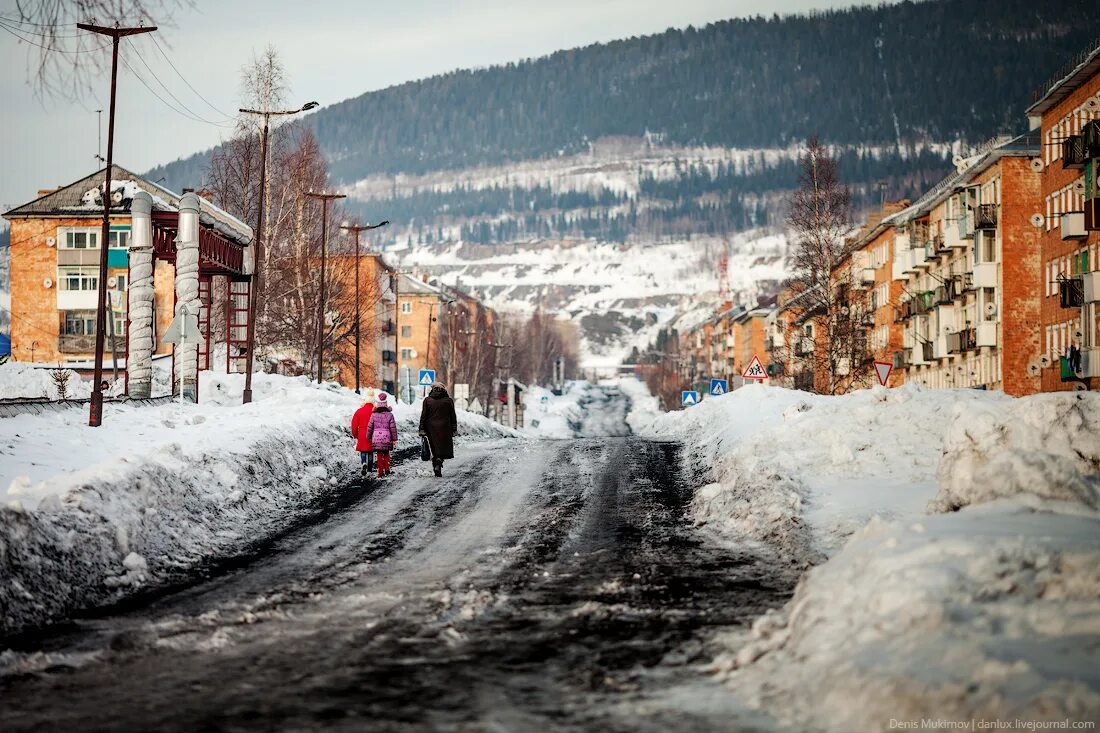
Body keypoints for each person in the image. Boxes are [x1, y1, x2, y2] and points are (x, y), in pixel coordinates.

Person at [419, 381, 457, 477]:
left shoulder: (427, 400)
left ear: (433, 389)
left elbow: (423, 416)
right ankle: (439, 461)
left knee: (434, 447)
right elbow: (453, 416)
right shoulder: (448, 401)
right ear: (444, 390)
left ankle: (436, 462)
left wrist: (421, 428)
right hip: (445, 427)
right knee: (442, 447)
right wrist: (454, 429)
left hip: (430, 428)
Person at [366, 392, 397, 478]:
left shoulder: (374, 415)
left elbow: (370, 427)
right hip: (387, 437)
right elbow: (393, 428)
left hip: (376, 437)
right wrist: (394, 439)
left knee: (379, 454)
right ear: (386, 404)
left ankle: (380, 472)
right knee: (386, 453)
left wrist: (368, 436)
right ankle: (387, 469)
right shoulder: (390, 415)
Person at [350, 389, 377, 476]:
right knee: (370, 452)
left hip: (362, 434)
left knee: (363, 451)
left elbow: (354, 424)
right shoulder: (375, 411)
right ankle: (369, 471)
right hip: (372, 434)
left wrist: (355, 435)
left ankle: (363, 463)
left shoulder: (359, 411)